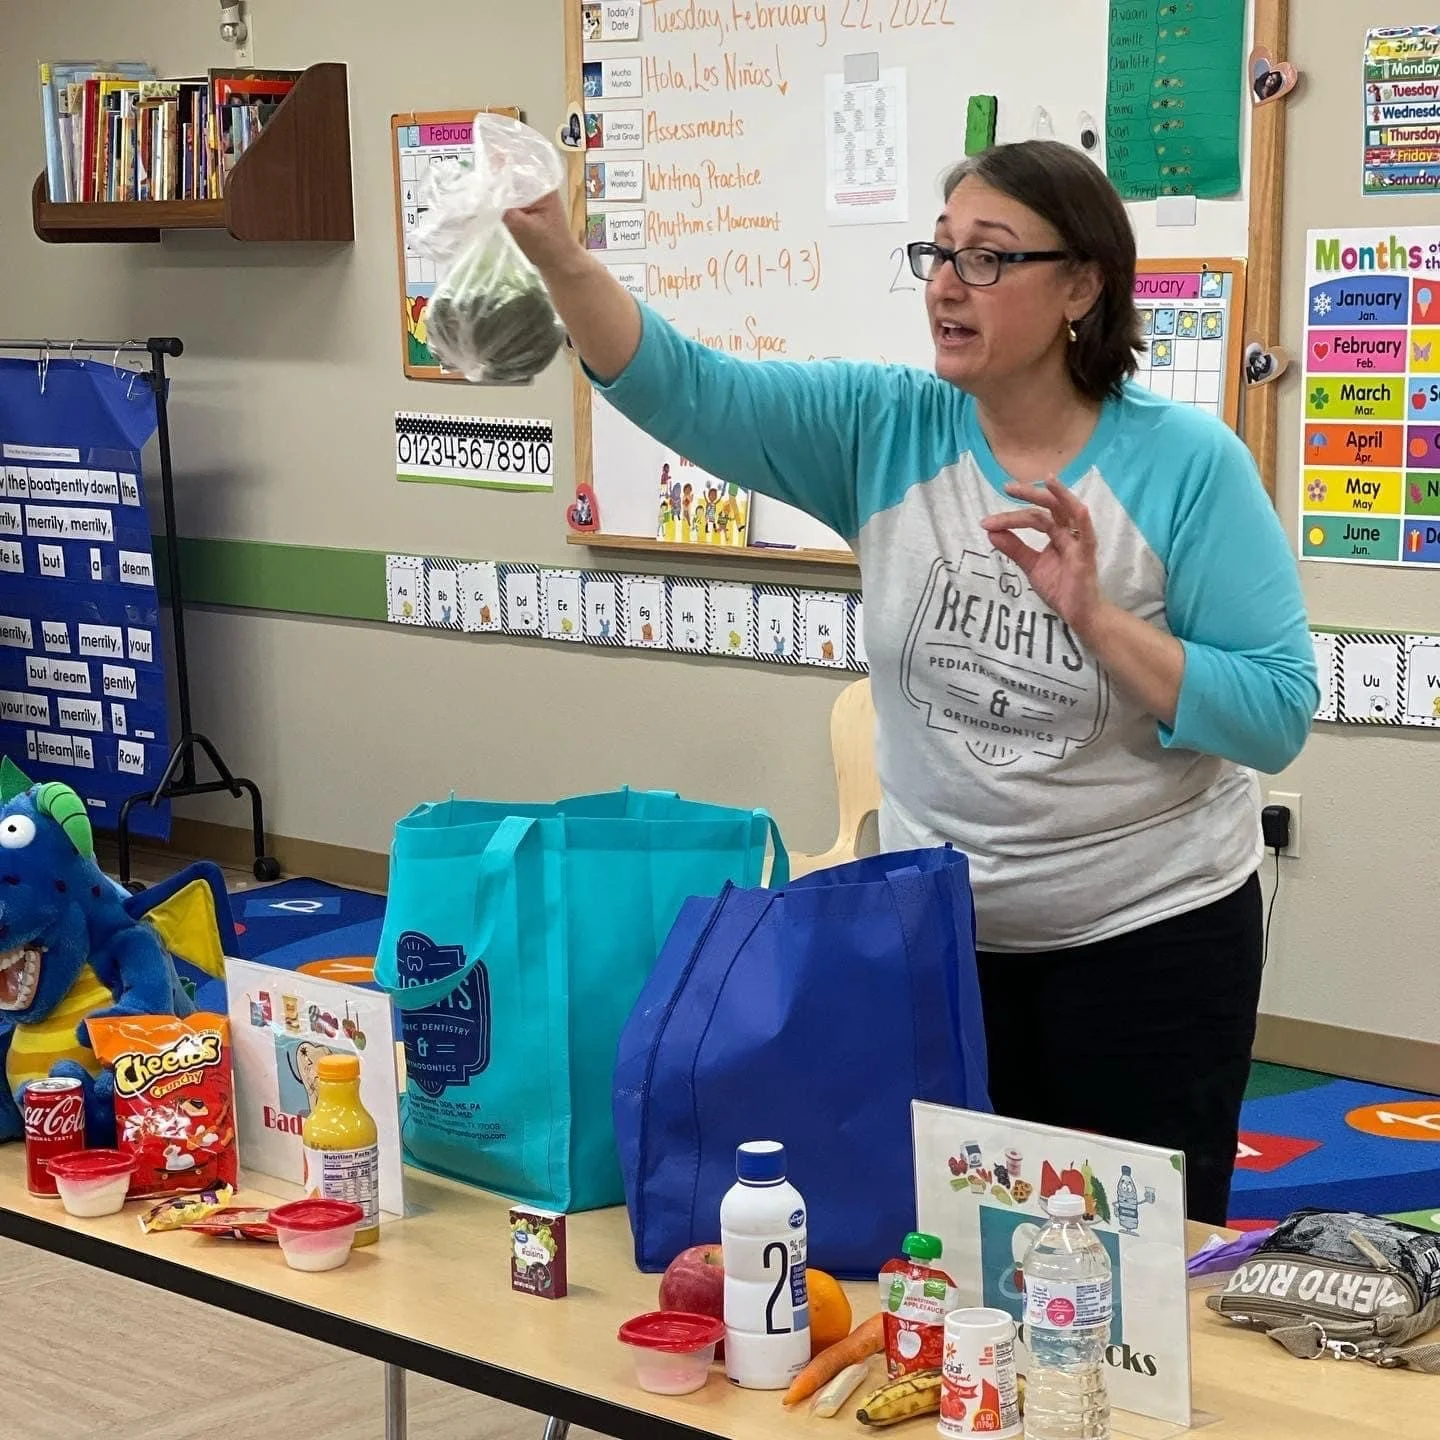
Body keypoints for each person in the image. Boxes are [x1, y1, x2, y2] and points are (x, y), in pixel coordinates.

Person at [504, 141, 1318, 1224]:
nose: (945, 282)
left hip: (1148, 938)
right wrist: (561, 258)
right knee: (953, 1246)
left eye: (987, 258)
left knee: (1137, 1269)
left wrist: (1095, 617)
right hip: (935, 937)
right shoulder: (881, 428)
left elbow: (1273, 714)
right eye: (936, 252)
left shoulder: (1186, 465)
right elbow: (683, 387)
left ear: (1082, 285)